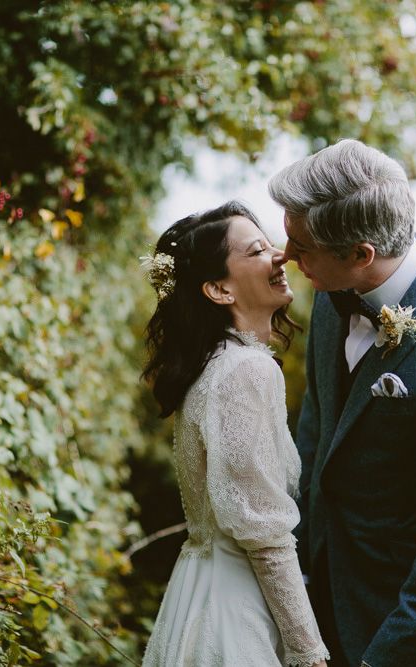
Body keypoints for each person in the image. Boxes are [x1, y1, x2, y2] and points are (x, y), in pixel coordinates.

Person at [269, 139, 416, 667]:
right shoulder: (330, 291)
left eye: (301, 246)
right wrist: (297, 575)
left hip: (403, 620)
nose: (286, 257)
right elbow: (316, 430)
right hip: (319, 599)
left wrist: (394, 654)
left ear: (362, 254)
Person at [140, 201, 329, 667]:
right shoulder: (246, 371)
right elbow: (263, 533)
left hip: (196, 592)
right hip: (233, 612)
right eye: (258, 250)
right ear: (219, 289)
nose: (280, 256)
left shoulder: (214, 367)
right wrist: (308, 651)